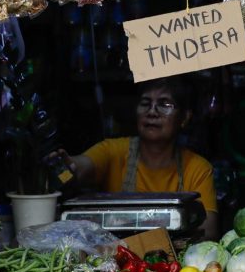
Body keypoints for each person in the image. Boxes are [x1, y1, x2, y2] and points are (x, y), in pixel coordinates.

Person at [56, 77, 219, 240]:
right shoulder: (113, 151)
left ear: (184, 118)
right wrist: (67, 169)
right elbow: (79, 168)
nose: (152, 112)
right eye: (145, 103)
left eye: (164, 104)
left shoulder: (198, 168)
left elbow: (208, 231)